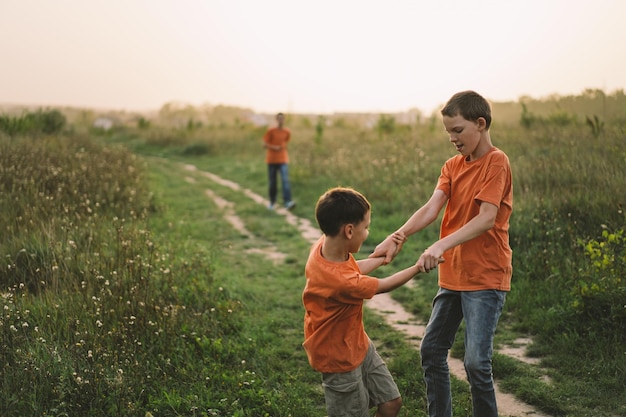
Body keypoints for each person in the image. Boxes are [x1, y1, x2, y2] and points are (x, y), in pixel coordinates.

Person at [370, 90, 513, 417]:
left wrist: (440, 245)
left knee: (476, 363)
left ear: (481, 123)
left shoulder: (497, 161)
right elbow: (432, 208)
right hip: (453, 276)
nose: (451, 138)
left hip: (485, 276)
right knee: (432, 351)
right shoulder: (451, 166)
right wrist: (399, 235)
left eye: (457, 130)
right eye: (448, 132)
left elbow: (487, 217)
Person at [303, 187, 442, 417]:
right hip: (338, 358)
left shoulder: (323, 248)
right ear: (349, 231)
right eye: (365, 227)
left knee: (391, 403)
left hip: (357, 343)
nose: (367, 232)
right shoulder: (342, 283)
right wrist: (417, 267)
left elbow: (352, 269)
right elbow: (382, 285)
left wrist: (379, 259)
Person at [263, 112, 295, 210]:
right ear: (276, 119)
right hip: (271, 160)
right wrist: (274, 147)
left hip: (283, 160)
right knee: (273, 182)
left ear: (284, 120)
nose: (281, 120)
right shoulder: (271, 131)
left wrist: (280, 148)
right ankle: (272, 202)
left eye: (282, 118)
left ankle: (288, 202)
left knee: (285, 181)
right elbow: (264, 144)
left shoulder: (287, 132)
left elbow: (286, 141)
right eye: (279, 118)